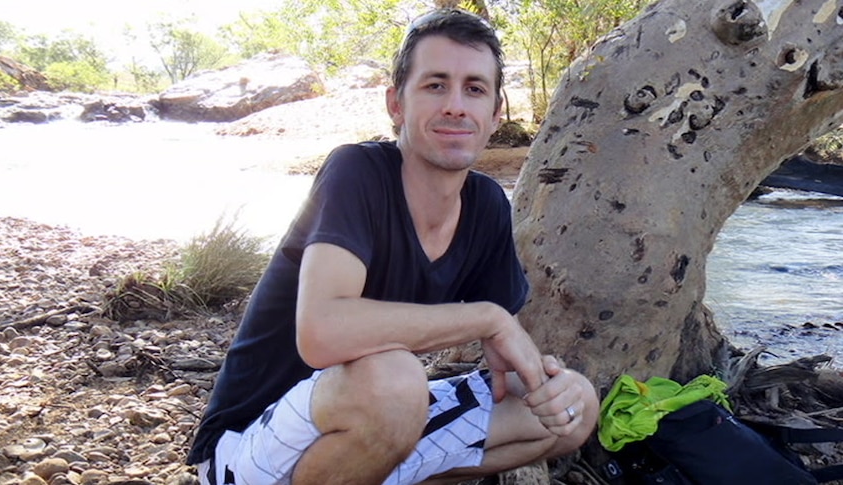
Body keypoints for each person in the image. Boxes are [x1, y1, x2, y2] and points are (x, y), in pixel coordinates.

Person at [186, 8, 599, 485]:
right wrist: (486, 317)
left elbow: (511, 352)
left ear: (495, 114)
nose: (456, 105)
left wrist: (549, 381)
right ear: (396, 104)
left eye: (475, 89)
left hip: (374, 420)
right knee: (397, 383)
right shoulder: (357, 174)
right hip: (248, 445)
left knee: (576, 406)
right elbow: (321, 333)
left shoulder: (486, 204)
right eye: (435, 85)